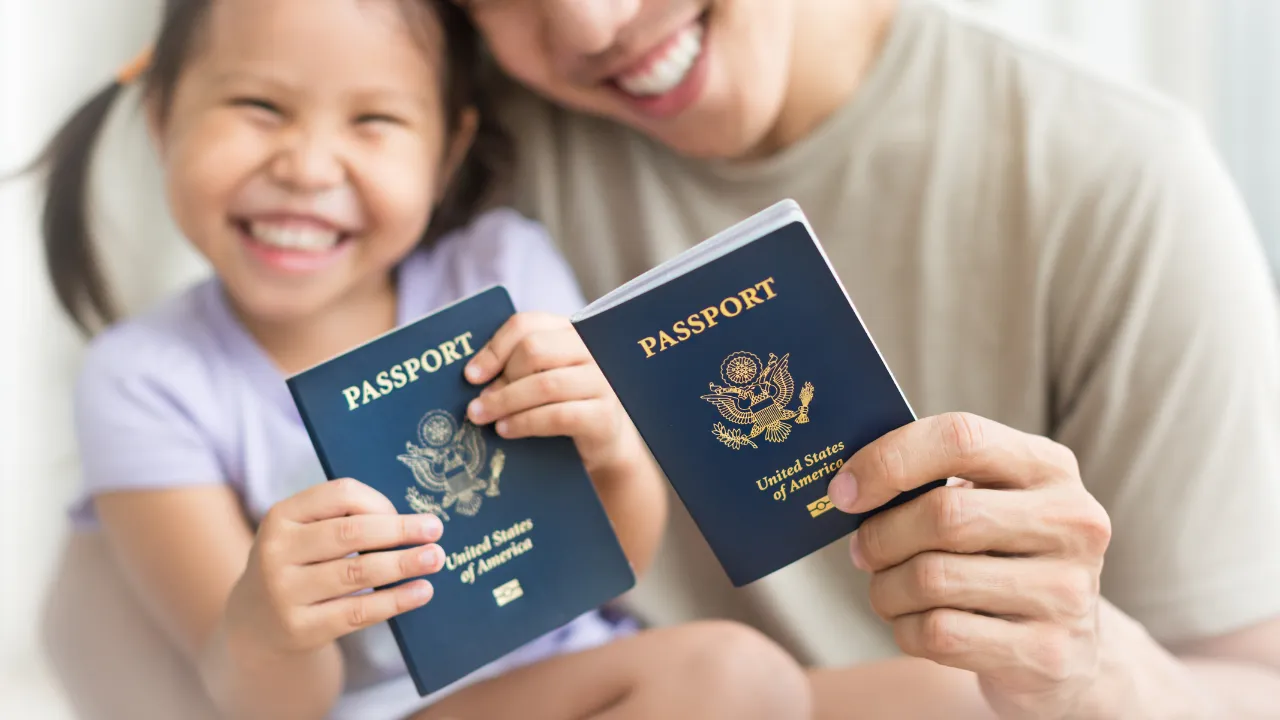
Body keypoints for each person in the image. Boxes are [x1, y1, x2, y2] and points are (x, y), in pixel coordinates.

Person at [462, 0, 1280, 716]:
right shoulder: (439, 147)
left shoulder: (1119, 175)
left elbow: (1256, 683)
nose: (591, 23)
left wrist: (1087, 670)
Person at [34, 0, 811, 718]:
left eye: (373, 120)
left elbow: (614, 569)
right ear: (162, 120)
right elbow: (272, 706)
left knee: (924, 692)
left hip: (589, 667)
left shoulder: (501, 268)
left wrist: (609, 451)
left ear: (447, 155)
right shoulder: (142, 380)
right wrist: (266, 627)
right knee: (735, 675)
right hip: (389, 708)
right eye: (259, 108)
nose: (307, 167)